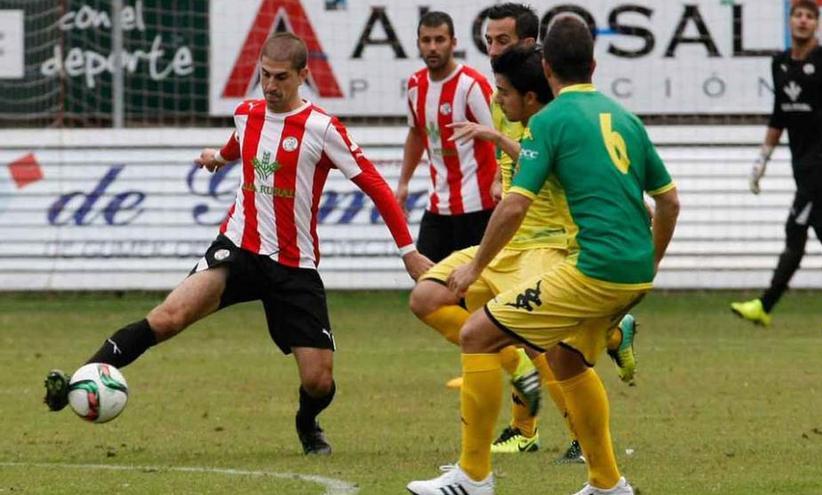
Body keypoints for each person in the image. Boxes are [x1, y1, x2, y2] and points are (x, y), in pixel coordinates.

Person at [43, 32, 433, 456]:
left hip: (293, 264)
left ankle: (307, 423)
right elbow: (238, 144)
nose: (270, 86)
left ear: (304, 75)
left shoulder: (322, 128)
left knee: (318, 380)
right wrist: (218, 157)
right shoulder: (247, 113)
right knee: (168, 316)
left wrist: (407, 252)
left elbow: (374, 185)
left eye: (281, 77)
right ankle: (79, 379)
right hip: (238, 248)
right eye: (264, 75)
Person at [407, 17, 679, 495]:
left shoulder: (548, 121)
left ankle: (472, 478)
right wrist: (649, 265)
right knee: (568, 361)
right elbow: (669, 202)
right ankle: (607, 484)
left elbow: (514, 205)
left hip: (589, 268)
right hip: (633, 271)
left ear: (546, 68)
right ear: (593, 65)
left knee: (476, 333)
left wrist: (474, 267)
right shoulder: (625, 118)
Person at [731, 0, 822, 330]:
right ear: (790, 21)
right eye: (798, 15)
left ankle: (764, 305)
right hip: (802, 163)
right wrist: (761, 160)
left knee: (796, 228)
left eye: (810, 16)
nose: (803, 21)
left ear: (817, 24)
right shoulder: (779, 63)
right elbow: (780, 113)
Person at [396, 11, 498, 263]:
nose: (432, 47)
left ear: (453, 43)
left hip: (480, 205)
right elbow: (416, 134)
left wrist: (500, 181)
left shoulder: (472, 85)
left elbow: (500, 138)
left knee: (475, 288)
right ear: (418, 43)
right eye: (426, 40)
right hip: (438, 203)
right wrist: (403, 183)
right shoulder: (415, 85)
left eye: (439, 40)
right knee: (425, 282)